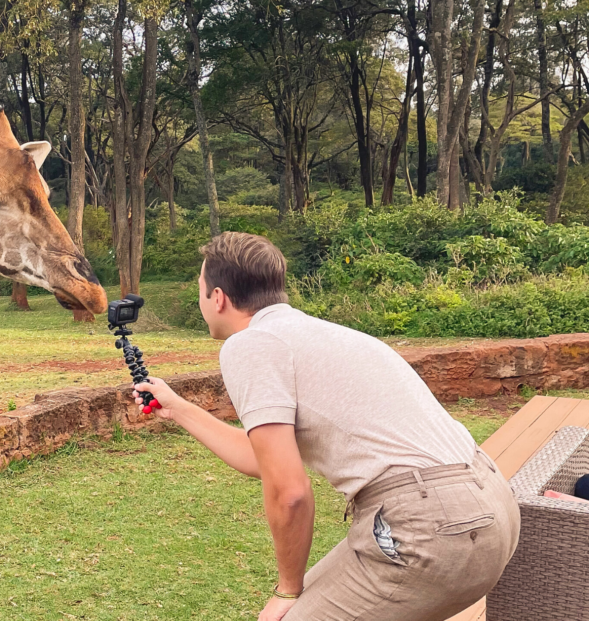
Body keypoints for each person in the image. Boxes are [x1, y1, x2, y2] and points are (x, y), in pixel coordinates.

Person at [134, 232, 520, 621]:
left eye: (200, 290)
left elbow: (290, 492)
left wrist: (288, 589)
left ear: (218, 298)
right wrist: (179, 409)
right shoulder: (324, 335)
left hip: (432, 528)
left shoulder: (251, 344)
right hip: (494, 510)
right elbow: (262, 461)